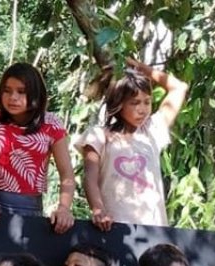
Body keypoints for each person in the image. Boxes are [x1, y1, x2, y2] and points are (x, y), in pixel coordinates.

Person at [75, 58, 188, 229]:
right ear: (118, 104)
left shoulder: (152, 131)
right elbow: (90, 178)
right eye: (134, 103)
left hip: (154, 227)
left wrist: (140, 67)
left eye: (147, 102)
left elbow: (179, 88)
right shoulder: (99, 136)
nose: (142, 109)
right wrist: (99, 210)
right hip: (114, 226)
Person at [0, 62, 75, 234]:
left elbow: (66, 173)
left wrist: (64, 208)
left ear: (35, 94)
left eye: (21, 92)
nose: (13, 97)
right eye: (7, 90)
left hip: (31, 207)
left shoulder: (52, 124)